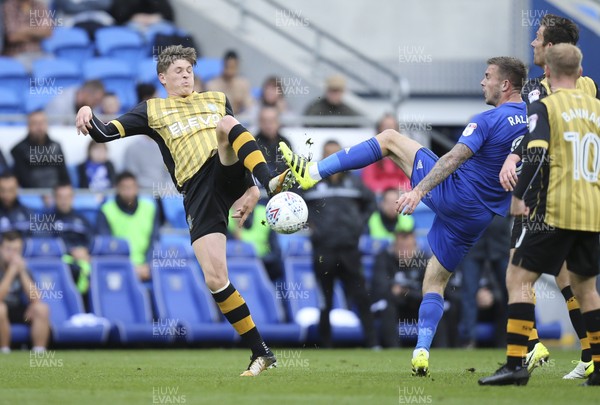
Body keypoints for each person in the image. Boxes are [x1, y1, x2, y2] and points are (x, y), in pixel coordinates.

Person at [280, 56, 528, 376]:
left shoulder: (487, 119)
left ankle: (312, 172)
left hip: (455, 194)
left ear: (505, 84)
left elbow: (453, 157)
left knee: (389, 139)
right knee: (435, 280)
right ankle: (422, 350)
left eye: (488, 76)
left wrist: (419, 191)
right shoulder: (536, 121)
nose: (482, 82)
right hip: (480, 216)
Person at [75, 45, 293, 376]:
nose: (186, 75)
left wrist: (252, 186)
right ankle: (260, 352)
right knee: (216, 279)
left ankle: (271, 181)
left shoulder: (216, 99)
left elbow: (236, 140)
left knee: (227, 124)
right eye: (178, 71)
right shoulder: (153, 110)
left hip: (221, 167)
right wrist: (88, 110)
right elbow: (105, 133)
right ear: (162, 77)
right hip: (197, 189)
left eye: (189, 69)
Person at [479, 43, 600, 387]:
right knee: (587, 289)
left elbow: (536, 152)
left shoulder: (546, 106)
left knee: (519, 279)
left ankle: (516, 363)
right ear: (579, 73)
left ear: (547, 70)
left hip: (557, 208)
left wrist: (520, 197)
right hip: (592, 210)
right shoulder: (596, 107)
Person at [301, 140, 377, 348]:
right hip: (323, 250)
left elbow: (371, 202)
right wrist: (311, 226)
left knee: (361, 295)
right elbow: (297, 205)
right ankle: (326, 345)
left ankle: (373, 343)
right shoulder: (312, 183)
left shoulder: (355, 183)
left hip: (349, 249)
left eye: (336, 155)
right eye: (328, 155)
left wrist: (358, 225)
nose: (332, 160)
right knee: (325, 300)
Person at [457, 216, 510, 348]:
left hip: (500, 240)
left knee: (511, 291)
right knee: (468, 292)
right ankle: (468, 341)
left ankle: (511, 339)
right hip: (473, 240)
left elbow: (515, 199)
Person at [96, 172, 158, 281]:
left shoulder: (150, 208)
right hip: (118, 267)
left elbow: (154, 241)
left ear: (137, 188)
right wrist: (130, 269)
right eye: (124, 187)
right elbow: (108, 246)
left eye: (132, 187)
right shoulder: (106, 210)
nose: (128, 191)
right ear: (117, 189)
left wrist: (147, 265)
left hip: (146, 268)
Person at [0, 231, 50, 353]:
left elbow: (36, 298)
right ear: (1, 249)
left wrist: (22, 272)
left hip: (22, 315)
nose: (13, 254)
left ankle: (39, 351)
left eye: (16, 250)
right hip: (2, 314)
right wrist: (11, 272)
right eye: (8, 249)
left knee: (41, 309)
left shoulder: (24, 269)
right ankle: (4, 351)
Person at [49, 183, 93, 308]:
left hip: (83, 260)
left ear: (73, 198)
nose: (64, 201)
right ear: (54, 198)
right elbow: (45, 246)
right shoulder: (46, 219)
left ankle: (90, 313)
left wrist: (86, 252)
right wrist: (70, 251)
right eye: (60, 197)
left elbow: (92, 242)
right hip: (60, 260)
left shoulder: (82, 220)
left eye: (67, 197)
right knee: (74, 270)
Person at [10, 111, 71, 189]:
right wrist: (42, 193)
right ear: (28, 126)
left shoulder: (56, 147)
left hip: (57, 194)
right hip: (32, 195)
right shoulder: (19, 150)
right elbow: (24, 179)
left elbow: (64, 176)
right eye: (35, 123)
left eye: (42, 123)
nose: (39, 127)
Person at [362, 114, 411, 194]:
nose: (389, 130)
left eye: (392, 126)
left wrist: (396, 191)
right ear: (379, 129)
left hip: (401, 194)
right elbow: (368, 181)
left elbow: (409, 180)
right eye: (385, 126)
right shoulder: (370, 154)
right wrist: (387, 191)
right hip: (378, 195)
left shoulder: (404, 154)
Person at [2, 0, 52, 70]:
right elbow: (13, 37)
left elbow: (47, 32)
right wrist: (37, 32)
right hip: (16, 55)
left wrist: (25, 29)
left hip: (39, 53)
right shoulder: (8, 6)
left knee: (55, 69)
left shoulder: (40, 6)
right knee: (35, 70)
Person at [207, 50, 253, 115]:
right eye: (227, 67)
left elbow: (249, 107)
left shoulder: (243, 84)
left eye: (233, 68)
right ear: (223, 66)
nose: (229, 72)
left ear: (237, 67)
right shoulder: (212, 85)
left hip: (239, 119)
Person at [255, 106, 292, 175]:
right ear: (259, 122)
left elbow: (291, 167)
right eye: (265, 121)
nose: (268, 125)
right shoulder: (253, 143)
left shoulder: (285, 142)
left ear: (278, 122)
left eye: (272, 121)